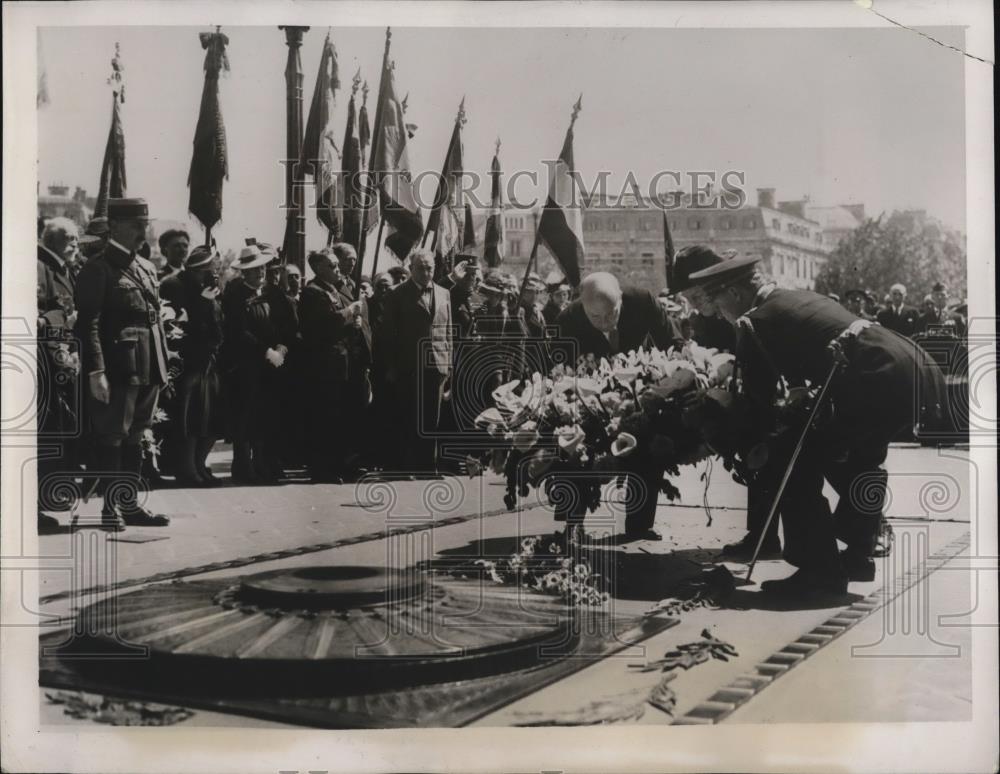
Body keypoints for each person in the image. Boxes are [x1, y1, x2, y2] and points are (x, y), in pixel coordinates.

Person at [689, 256, 947, 599]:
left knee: (786, 460)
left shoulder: (754, 320)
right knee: (859, 457)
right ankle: (858, 556)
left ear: (735, 293)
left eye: (717, 304)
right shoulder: (797, 297)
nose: (718, 313)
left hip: (876, 375)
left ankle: (819, 571)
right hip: (913, 367)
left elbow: (759, 404)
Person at [556, 272, 685, 541]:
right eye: (595, 318)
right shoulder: (568, 319)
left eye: (611, 315)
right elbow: (558, 372)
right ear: (583, 307)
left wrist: (674, 373)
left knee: (648, 443)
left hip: (638, 385)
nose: (604, 324)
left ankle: (640, 525)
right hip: (589, 391)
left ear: (621, 301)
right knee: (577, 447)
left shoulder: (643, 301)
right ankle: (573, 523)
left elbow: (673, 342)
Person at [670, 245, 779, 559]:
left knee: (768, 457)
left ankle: (764, 539)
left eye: (695, 297)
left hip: (770, 388)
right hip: (739, 390)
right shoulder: (709, 318)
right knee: (755, 461)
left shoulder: (739, 303)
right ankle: (761, 537)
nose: (693, 305)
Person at [74, 198, 171, 531]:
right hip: (118, 366)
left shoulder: (146, 267)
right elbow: (89, 323)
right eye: (135, 225)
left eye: (144, 224)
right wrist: (96, 371)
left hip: (148, 364)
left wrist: (163, 361)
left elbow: (153, 319)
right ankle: (110, 508)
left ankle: (130, 505)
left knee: (137, 435)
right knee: (112, 436)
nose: (142, 231)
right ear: (114, 226)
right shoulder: (98, 268)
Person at [378, 249, 453, 474]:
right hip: (408, 364)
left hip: (437, 364)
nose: (426, 272)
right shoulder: (396, 293)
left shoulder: (444, 294)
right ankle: (406, 464)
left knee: (432, 417)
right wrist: (391, 365)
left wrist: (449, 365)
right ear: (411, 269)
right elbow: (388, 334)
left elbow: (448, 331)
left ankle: (427, 465)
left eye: (429, 267)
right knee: (408, 415)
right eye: (420, 267)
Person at [298, 248, 367, 482]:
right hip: (323, 365)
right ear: (318, 268)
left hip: (341, 363)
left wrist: (353, 322)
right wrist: (347, 313)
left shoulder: (334, 291)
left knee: (338, 416)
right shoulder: (312, 292)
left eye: (337, 265)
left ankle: (338, 464)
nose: (338, 269)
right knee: (324, 417)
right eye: (332, 266)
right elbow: (321, 326)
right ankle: (321, 468)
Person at [161, 246, 225, 486]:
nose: (213, 276)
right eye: (208, 271)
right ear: (196, 270)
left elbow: (218, 323)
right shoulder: (175, 285)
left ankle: (199, 464)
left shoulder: (209, 291)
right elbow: (179, 325)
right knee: (189, 419)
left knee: (209, 420)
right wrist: (202, 302)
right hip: (186, 362)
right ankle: (187, 469)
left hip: (208, 362)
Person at [37, 217, 82, 533]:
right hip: (42, 365)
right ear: (55, 239)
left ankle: (46, 499)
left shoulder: (62, 269)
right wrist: (64, 319)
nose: (77, 247)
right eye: (72, 240)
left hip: (58, 364)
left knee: (54, 431)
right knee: (41, 435)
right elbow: (37, 315)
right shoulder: (40, 267)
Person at [220, 240, 274, 483]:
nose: (260, 272)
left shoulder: (265, 293)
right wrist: (265, 350)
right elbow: (239, 331)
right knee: (244, 417)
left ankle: (260, 464)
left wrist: (279, 347)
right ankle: (243, 467)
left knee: (262, 415)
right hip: (244, 365)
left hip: (266, 365)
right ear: (244, 272)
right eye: (254, 270)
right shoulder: (236, 295)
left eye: (262, 268)